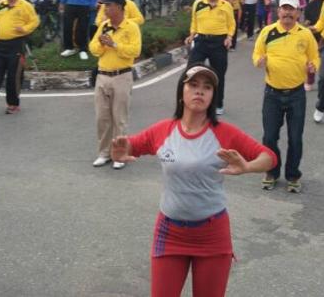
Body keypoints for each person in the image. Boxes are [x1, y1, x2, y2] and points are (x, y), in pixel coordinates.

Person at [110, 65, 277, 297]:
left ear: (212, 97)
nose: (200, 91)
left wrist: (248, 167)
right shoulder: (164, 130)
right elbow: (132, 145)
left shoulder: (224, 133)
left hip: (212, 236)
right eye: (193, 85)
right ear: (182, 92)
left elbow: (269, 157)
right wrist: (119, 151)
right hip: (170, 233)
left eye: (207, 88)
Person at [253, 0, 318, 192]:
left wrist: (313, 65)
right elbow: (257, 53)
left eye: (292, 9)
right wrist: (259, 61)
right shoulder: (268, 32)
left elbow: (315, 56)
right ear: (278, 11)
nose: (287, 13)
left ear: (298, 13)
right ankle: (272, 172)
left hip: (296, 94)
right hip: (272, 93)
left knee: (295, 137)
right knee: (270, 137)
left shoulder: (305, 34)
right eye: (284, 8)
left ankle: (293, 175)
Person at [89, 0, 142, 169]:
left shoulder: (131, 27)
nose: (106, 9)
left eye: (109, 6)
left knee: (119, 118)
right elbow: (93, 49)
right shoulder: (104, 26)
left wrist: (115, 45)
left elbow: (135, 51)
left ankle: (120, 154)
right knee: (102, 118)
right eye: (105, 6)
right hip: (103, 75)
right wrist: (101, 44)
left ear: (120, 7)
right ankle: (104, 153)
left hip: (122, 76)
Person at [186, 0, 236, 115]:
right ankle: (187, 100)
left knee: (218, 75)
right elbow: (194, 22)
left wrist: (229, 37)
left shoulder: (226, 6)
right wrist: (191, 35)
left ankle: (218, 104)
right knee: (191, 71)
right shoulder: (199, 3)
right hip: (201, 40)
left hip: (219, 43)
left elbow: (231, 24)